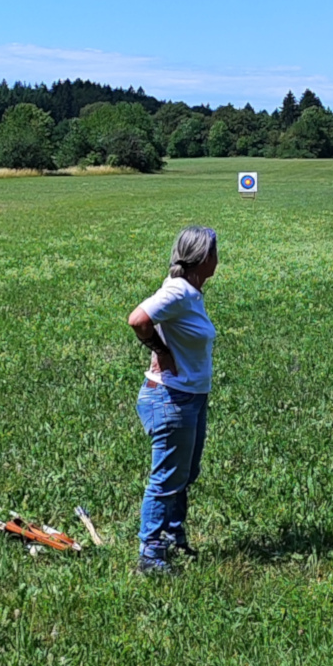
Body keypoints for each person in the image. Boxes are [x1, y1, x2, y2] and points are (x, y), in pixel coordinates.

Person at [127, 226, 219, 574]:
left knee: (185, 473)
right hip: (170, 398)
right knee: (166, 478)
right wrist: (161, 352)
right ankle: (150, 554)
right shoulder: (178, 291)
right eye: (214, 251)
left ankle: (172, 536)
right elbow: (138, 320)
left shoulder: (191, 292)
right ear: (202, 258)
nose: (218, 258)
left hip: (191, 397)